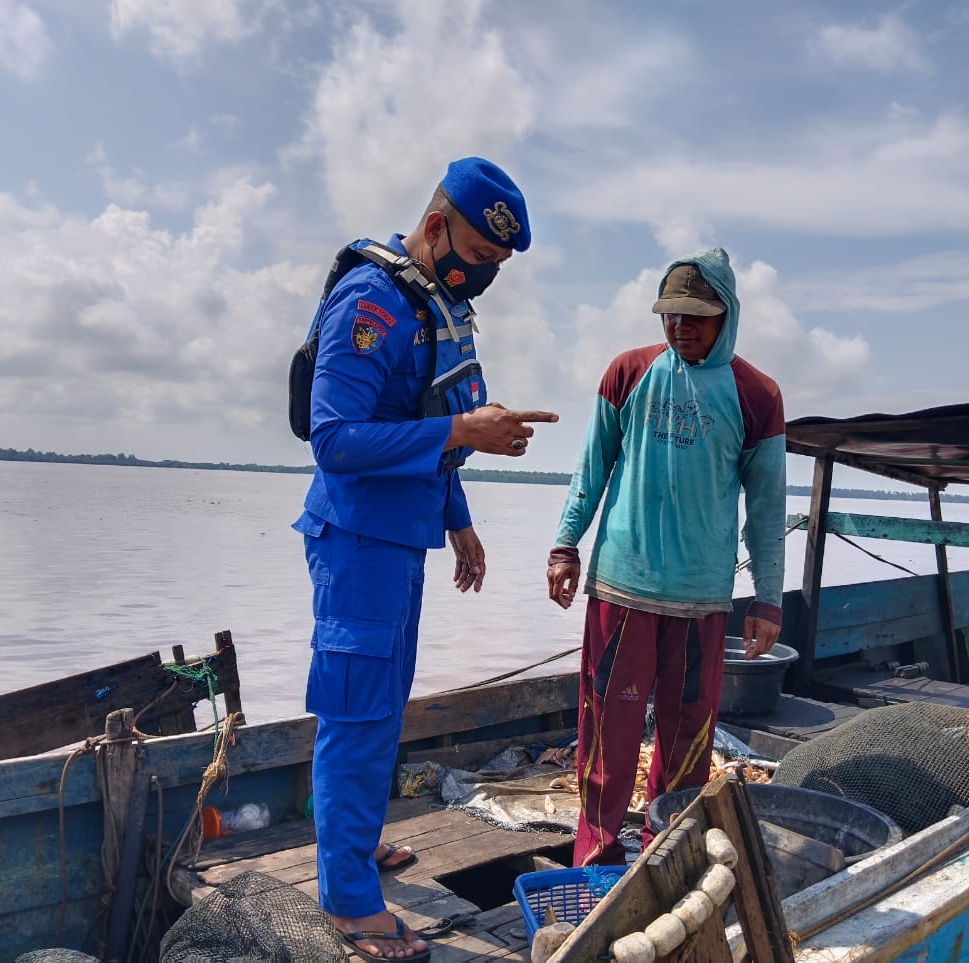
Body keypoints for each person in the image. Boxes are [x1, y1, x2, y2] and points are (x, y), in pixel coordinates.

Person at [293, 157, 558, 960]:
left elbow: (430, 415)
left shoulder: (437, 307)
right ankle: (346, 897)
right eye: (479, 255)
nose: (483, 275)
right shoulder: (371, 303)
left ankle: (358, 843)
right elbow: (334, 437)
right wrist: (463, 435)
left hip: (401, 539)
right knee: (358, 711)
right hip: (356, 542)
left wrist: (459, 518)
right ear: (438, 226)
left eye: (497, 269)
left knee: (384, 703)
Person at [546, 248, 786, 867]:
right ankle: (595, 851)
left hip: (703, 599)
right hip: (622, 590)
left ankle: (665, 851)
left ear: (726, 316)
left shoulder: (757, 395)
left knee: (687, 741)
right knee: (610, 730)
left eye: (697, 316)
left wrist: (767, 599)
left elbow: (766, 508)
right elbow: (591, 468)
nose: (681, 326)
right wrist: (565, 544)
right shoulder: (628, 373)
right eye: (671, 314)